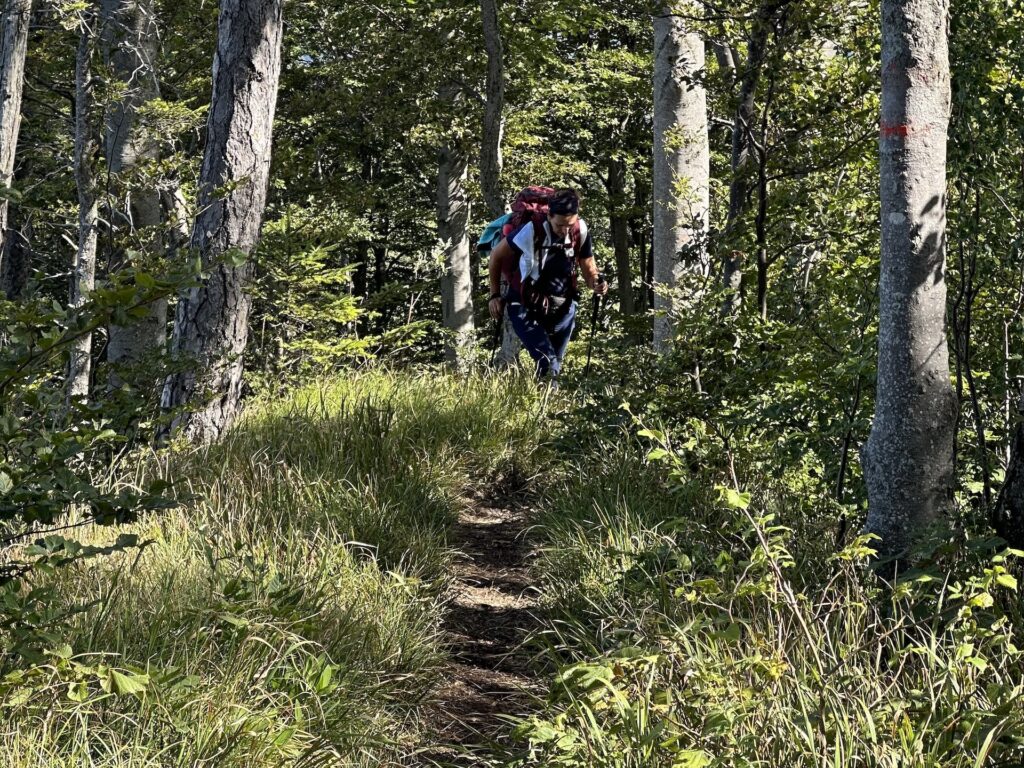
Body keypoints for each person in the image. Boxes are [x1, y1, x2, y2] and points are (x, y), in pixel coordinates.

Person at [487, 188, 608, 381]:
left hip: (563, 306)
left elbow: (588, 267)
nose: (565, 230)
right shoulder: (531, 229)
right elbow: (496, 256)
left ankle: (546, 405)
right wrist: (494, 295)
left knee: (555, 363)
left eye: (570, 224)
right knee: (548, 361)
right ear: (549, 215)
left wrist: (596, 283)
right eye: (560, 225)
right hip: (524, 303)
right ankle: (546, 405)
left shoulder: (580, 230)